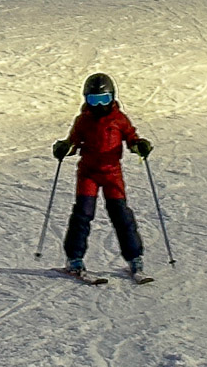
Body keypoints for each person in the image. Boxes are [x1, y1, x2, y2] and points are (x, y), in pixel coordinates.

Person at [52, 73, 152, 281]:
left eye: (103, 100)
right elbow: (73, 143)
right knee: (83, 214)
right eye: (93, 100)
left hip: (112, 174)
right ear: (86, 99)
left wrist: (139, 146)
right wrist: (64, 148)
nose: (98, 106)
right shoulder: (83, 121)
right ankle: (74, 259)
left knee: (121, 215)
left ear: (112, 98)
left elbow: (131, 138)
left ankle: (135, 258)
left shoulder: (119, 120)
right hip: (88, 173)